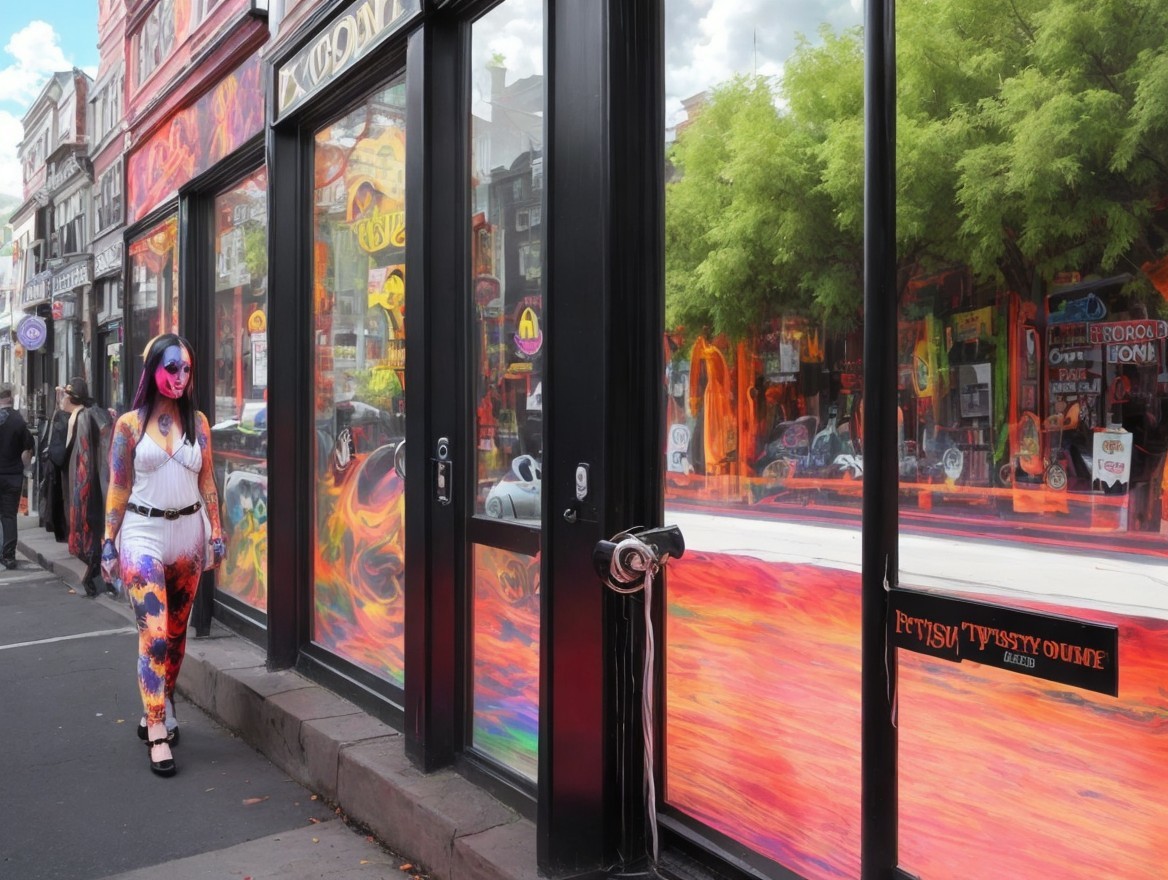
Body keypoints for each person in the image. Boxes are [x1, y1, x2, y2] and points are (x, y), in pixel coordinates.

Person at [100, 334, 226, 777]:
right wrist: (109, 538)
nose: (180, 376)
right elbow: (119, 485)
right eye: (172, 367)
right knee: (153, 635)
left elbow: (207, 481)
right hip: (142, 533)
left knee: (175, 635)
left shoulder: (199, 423)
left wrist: (216, 531)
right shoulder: (129, 425)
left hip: (189, 535)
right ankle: (157, 728)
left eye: (187, 369)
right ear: (153, 368)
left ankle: (161, 701)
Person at [60, 378, 114, 596]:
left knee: (88, 531)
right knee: (95, 530)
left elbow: (79, 456)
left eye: (64, 395)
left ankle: (95, 575)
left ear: (71, 398)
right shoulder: (90, 414)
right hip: (94, 482)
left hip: (86, 484)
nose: (61, 399)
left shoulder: (79, 417)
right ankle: (98, 574)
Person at [0, 384, 34, 569]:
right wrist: (24, 467)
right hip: (12, 475)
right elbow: (27, 450)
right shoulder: (18, 421)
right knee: (9, 516)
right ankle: (8, 556)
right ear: (10, 397)